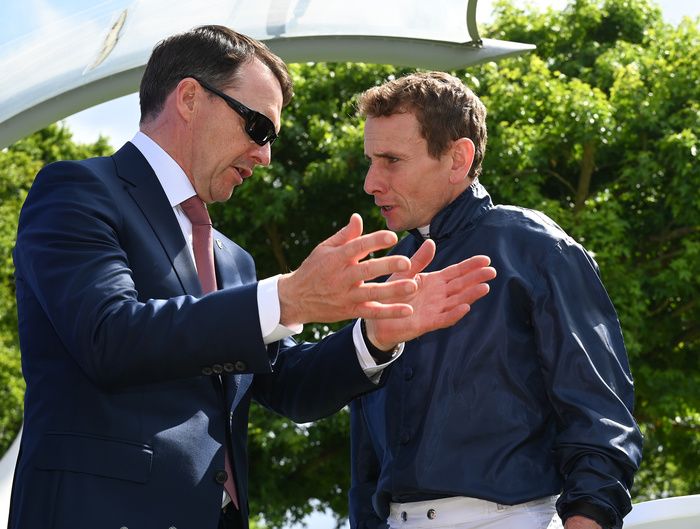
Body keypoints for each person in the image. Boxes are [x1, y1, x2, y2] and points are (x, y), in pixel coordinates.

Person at [8, 28, 497, 529]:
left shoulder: (232, 259)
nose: (264, 156)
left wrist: (374, 338)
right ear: (191, 98)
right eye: (258, 128)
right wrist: (288, 299)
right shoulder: (77, 191)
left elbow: (286, 386)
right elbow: (109, 334)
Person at [349, 72, 643, 529]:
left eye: (391, 160)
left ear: (457, 158)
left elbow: (601, 416)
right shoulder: (386, 270)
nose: (371, 182)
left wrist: (587, 518)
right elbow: (366, 459)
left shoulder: (539, 248)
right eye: (370, 160)